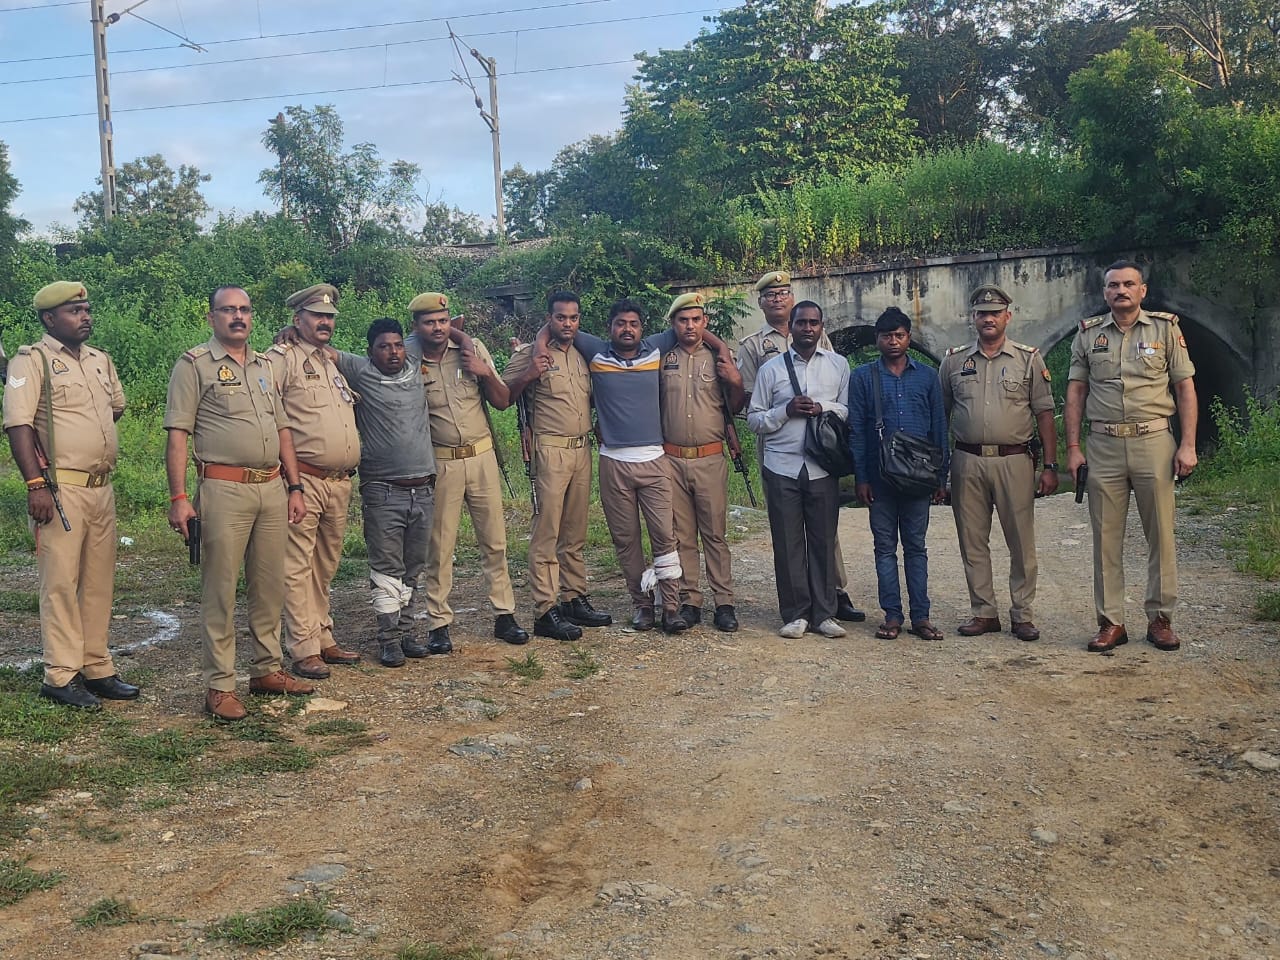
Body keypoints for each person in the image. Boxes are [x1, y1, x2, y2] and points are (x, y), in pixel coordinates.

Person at [165, 286, 313, 721]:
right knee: (222, 590)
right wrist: (178, 497)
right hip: (223, 489)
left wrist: (295, 486)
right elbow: (178, 436)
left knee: (270, 586)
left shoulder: (264, 365)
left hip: (271, 488)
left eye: (244, 310)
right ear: (212, 318)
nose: (238, 317)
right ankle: (220, 686)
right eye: (228, 310)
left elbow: (282, 430)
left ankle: (267, 669)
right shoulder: (194, 365)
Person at [547, 299, 729, 633]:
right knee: (626, 540)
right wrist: (535, 350)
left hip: (655, 462)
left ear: (642, 328)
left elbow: (695, 331)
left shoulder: (656, 348)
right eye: (620, 323)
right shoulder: (596, 351)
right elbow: (557, 327)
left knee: (665, 536)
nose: (627, 329)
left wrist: (723, 351)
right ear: (610, 328)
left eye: (633, 324)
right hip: (614, 463)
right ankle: (642, 605)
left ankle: (671, 608)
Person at [3, 281, 137, 709]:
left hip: (101, 488)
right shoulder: (33, 360)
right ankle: (60, 675)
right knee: (61, 583)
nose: (85, 316)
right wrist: (35, 484)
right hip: (61, 490)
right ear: (49, 318)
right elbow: (19, 425)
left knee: (98, 582)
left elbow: (114, 409)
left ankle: (96, 665)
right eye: (74, 311)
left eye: (86, 310)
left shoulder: (100, 360)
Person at [1064, 260, 1198, 653]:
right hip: (1103, 445)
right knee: (1106, 537)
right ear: (1104, 293)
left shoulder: (1165, 329)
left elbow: (1185, 388)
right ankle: (1111, 622)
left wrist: (1187, 444)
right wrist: (1073, 448)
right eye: (1113, 285)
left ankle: (1161, 619)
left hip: (1153, 441)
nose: (1120, 290)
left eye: (1128, 284)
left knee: (1161, 534)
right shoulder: (1088, 334)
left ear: (1142, 291)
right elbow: (1076, 393)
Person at [737, 270, 864, 622]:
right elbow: (751, 408)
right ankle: (797, 611)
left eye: (783, 293)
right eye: (771, 295)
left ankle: (830, 602)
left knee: (824, 535)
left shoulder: (834, 360)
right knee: (788, 536)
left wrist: (821, 407)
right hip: (779, 455)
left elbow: (846, 405)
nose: (777, 299)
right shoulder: (756, 349)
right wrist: (785, 410)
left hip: (822, 456)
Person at [409, 292, 529, 652]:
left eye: (443, 321)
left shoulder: (471, 348)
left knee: (494, 541)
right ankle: (438, 622)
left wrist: (483, 370)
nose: (438, 328)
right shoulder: (408, 357)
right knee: (440, 545)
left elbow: (503, 400)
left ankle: (505, 614)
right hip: (441, 462)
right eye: (430, 322)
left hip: (481, 456)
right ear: (416, 326)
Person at [940, 285, 1059, 642]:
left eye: (994, 313)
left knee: (1021, 541)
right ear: (973, 318)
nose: (988, 319)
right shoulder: (954, 361)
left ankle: (1022, 614)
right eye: (982, 313)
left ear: (1008, 316)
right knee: (972, 540)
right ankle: (984, 612)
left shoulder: (1028, 359)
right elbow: (940, 415)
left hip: (1014, 460)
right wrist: (939, 469)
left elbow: (1044, 413)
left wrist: (1050, 465)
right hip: (967, 459)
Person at [502, 291, 612, 642]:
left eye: (573, 318)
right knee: (547, 532)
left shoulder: (582, 353)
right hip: (549, 449)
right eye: (561, 317)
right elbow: (503, 395)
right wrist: (529, 373)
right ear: (549, 318)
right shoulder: (531, 354)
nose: (567, 323)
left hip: (582, 448)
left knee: (575, 531)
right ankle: (545, 609)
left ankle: (573, 596)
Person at [328, 317, 437, 667]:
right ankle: (388, 640)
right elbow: (323, 350)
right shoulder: (360, 371)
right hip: (383, 489)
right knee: (387, 569)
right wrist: (292, 332)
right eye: (384, 347)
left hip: (423, 488)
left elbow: (447, 327)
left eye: (397, 345)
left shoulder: (415, 360)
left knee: (412, 567)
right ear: (370, 351)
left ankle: (406, 633)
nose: (393, 352)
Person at [267, 284, 362, 679]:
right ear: (297, 319)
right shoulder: (282, 358)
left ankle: (322, 634)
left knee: (324, 565)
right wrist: (289, 481)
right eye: (317, 316)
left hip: (339, 482)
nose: (325, 322)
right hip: (303, 479)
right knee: (296, 565)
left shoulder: (329, 361)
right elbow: (265, 411)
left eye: (329, 317)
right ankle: (303, 647)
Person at [848, 307, 949, 642]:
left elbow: (939, 427)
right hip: (880, 479)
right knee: (884, 548)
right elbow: (857, 431)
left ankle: (921, 616)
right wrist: (861, 478)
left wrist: (941, 477)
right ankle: (892, 615)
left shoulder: (928, 377)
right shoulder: (862, 377)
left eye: (899, 335)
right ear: (877, 339)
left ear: (909, 338)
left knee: (916, 547)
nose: (893, 341)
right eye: (886, 336)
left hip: (920, 478)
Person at [660, 292, 744, 632]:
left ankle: (724, 602)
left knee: (714, 534)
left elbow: (735, 406)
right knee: (682, 535)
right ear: (673, 324)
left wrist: (735, 381)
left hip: (710, 458)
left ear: (705, 322)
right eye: (683, 320)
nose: (690, 326)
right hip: (672, 459)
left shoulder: (719, 357)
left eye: (696, 320)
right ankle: (690, 600)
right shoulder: (663, 358)